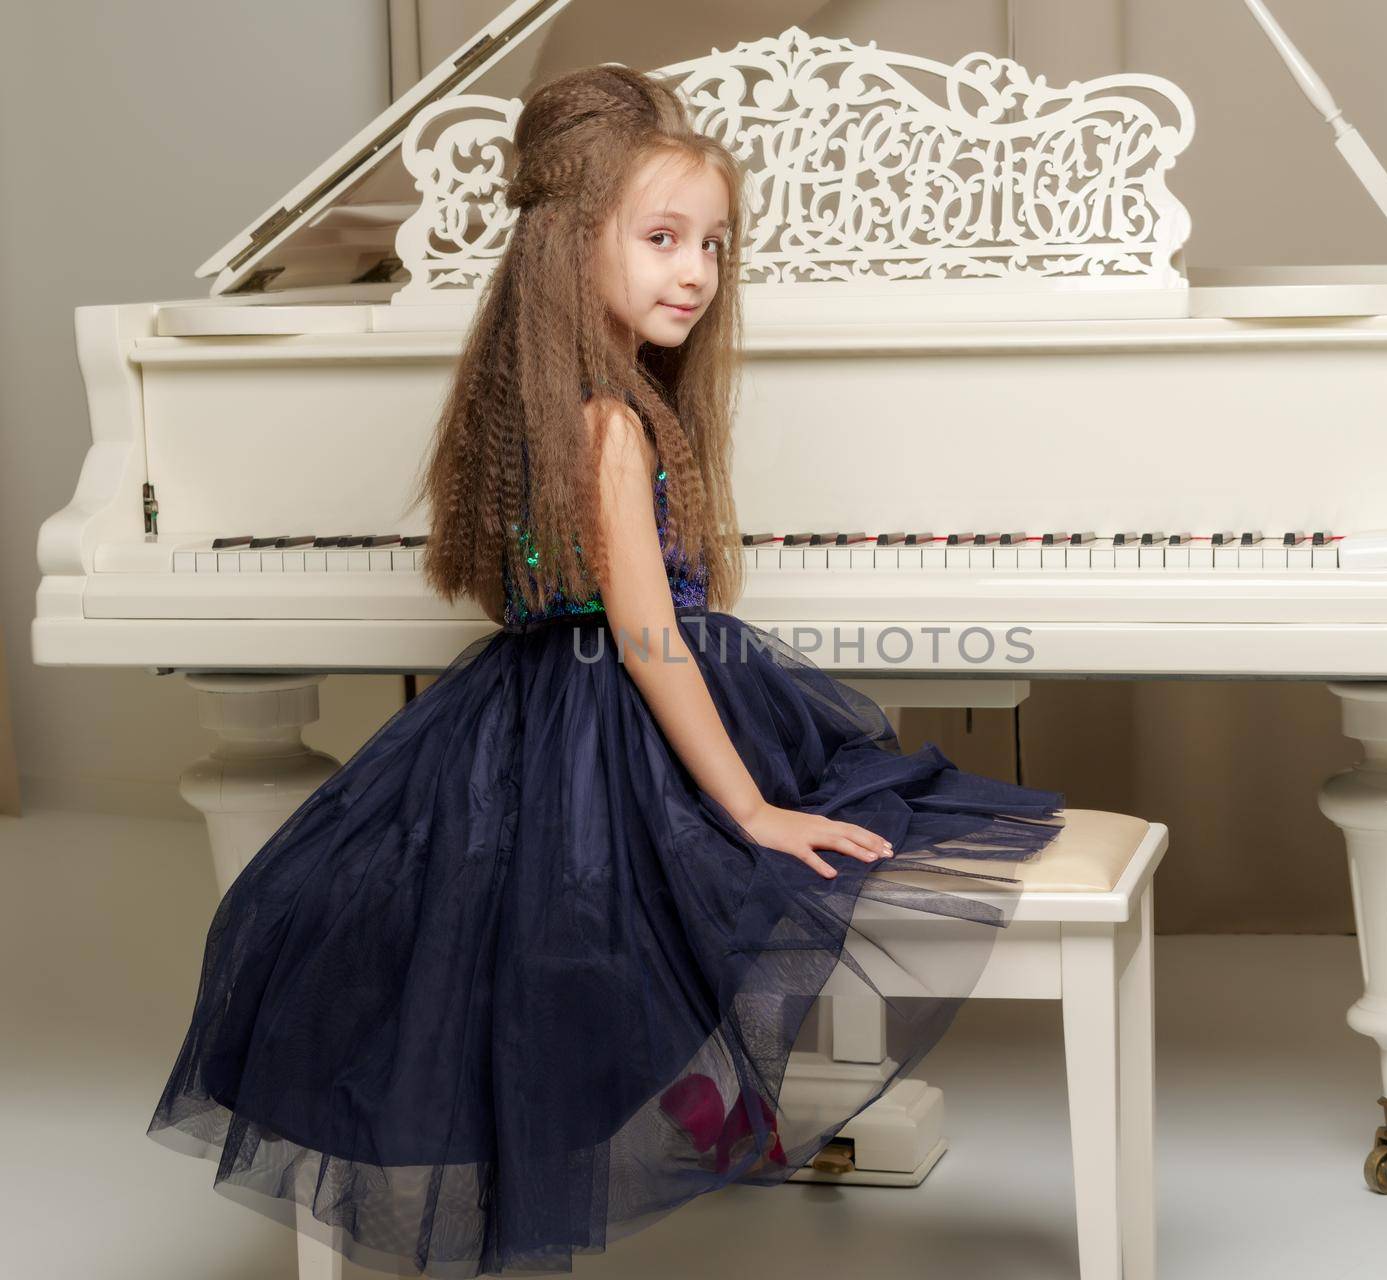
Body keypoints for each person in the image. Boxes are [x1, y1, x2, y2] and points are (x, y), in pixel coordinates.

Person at [146, 63, 1067, 1277]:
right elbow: (646, 637)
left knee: (622, 910)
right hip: (615, 714)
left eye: (714, 244)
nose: (697, 271)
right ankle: (714, 1114)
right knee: (734, 862)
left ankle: (699, 1117)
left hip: (523, 710)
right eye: (662, 238)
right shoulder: (612, 424)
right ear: (571, 245)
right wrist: (745, 802)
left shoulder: (528, 405)